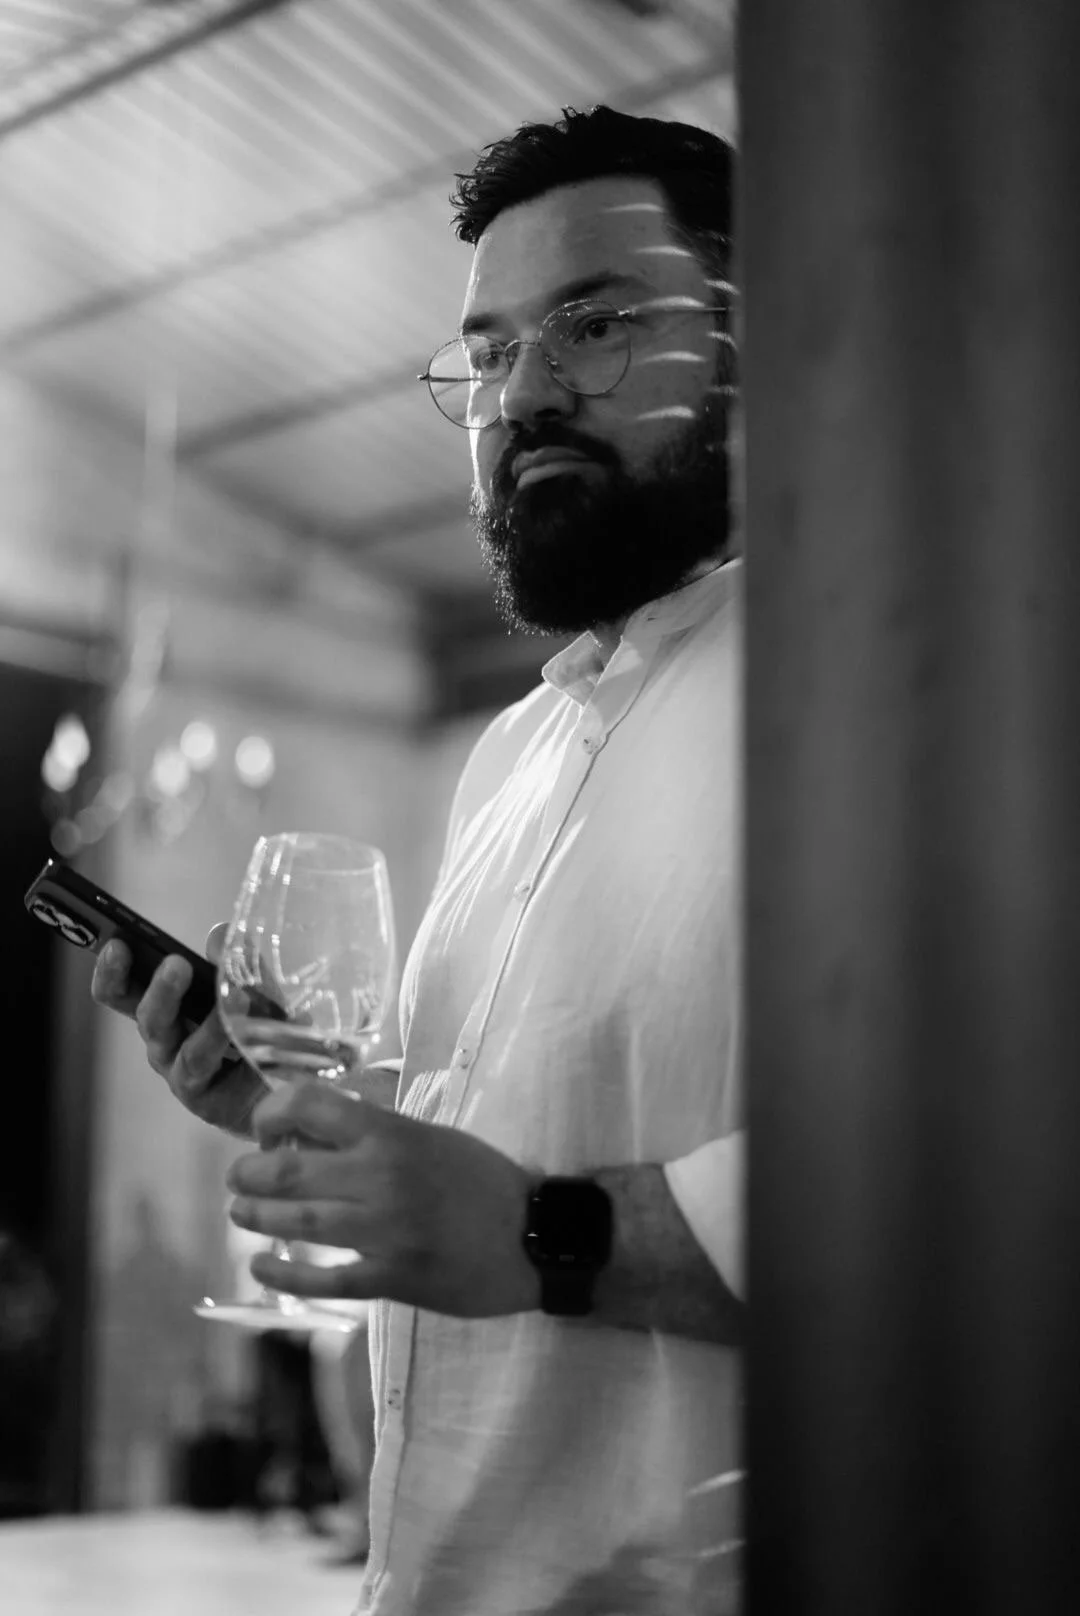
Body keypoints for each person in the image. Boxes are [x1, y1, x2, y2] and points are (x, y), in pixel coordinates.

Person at [93, 105, 746, 1615]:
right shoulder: (508, 757)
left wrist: (535, 1239)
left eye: (590, 324)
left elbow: (953, 1188)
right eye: (488, 353)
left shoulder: (870, 687)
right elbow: (507, 1128)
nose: (520, 394)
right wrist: (295, 1109)